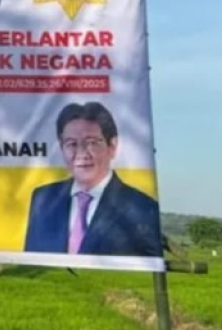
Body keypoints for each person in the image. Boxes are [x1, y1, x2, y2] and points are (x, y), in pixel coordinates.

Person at [23, 101, 162, 257]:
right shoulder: (44, 198)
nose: (82, 153)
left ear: (112, 146)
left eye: (92, 143)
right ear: (61, 148)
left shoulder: (143, 208)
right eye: (72, 144)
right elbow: (30, 262)